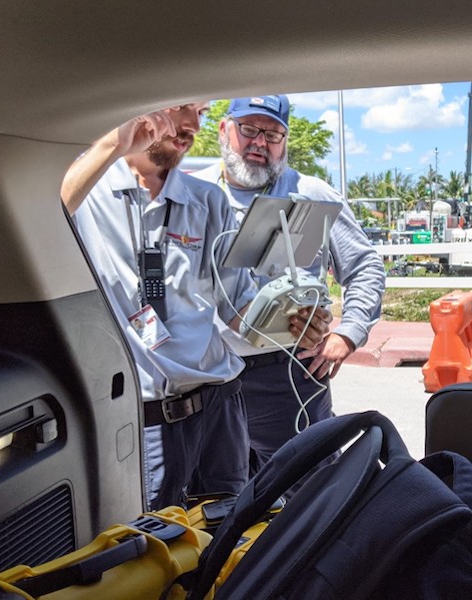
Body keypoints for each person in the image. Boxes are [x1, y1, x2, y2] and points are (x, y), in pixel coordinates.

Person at [60, 103, 331, 509]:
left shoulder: (207, 200)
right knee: (155, 544)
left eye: (200, 111)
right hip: (147, 415)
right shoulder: (88, 189)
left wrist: (290, 321)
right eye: (180, 106)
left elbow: (237, 311)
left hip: (220, 409)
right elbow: (40, 215)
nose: (191, 125)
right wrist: (111, 144)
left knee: (224, 534)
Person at [193, 95, 385, 475]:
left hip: (288, 374)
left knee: (309, 494)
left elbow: (365, 265)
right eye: (248, 129)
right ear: (223, 128)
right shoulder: (194, 193)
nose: (260, 142)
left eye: (273, 134)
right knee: (219, 499)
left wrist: (348, 334)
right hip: (207, 376)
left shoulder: (311, 194)